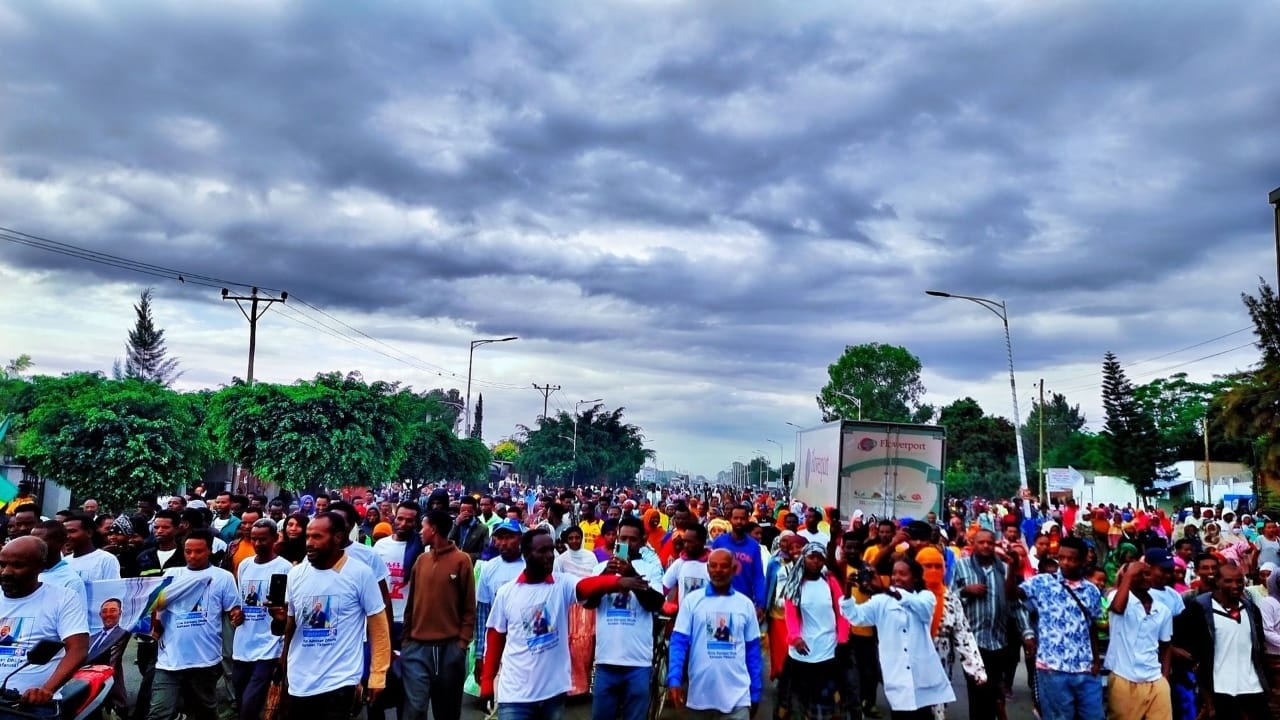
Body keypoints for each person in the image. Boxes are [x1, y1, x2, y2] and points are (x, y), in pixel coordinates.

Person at [479, 529, 648, 720]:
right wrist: (487, 684)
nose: (550, 555)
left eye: (551, 550)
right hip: (516, 696)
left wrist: (618, 582)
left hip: (554, 694)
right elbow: (495, 639)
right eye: (542, 551)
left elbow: (587, 586)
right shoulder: (507, 593)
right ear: (526, 554)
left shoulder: (562, 584)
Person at [270, 511, 391, 720]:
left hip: (340, 680)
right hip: (300, 681)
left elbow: (379, 627)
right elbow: (291, 627)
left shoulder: (360, 574)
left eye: (317, 537)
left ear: (338, 537)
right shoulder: (296, 574)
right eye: (308, 536)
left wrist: (377, 675)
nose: (309, 543)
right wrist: (280, 623)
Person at [839, 557, 954, 720]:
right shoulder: (881, 601)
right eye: (894, 574)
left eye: (903, 574)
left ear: (914, 577)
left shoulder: (925, 597)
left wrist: (886, 590)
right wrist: (848, 588)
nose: (897, 578)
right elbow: (855, 616)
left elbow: (920, 609)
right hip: (897, 675)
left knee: (923, 715)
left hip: (921, 674)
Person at [148, 529, 244, 720]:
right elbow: (155, 606)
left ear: (209, 550)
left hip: (205, 660)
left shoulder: (223, 577)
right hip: (169, 660)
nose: (192, 556)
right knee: (159, 713)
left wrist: (236, 615)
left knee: (203, 712)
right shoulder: (171, 575)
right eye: (188, 551)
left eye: (198, 551)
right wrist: (154, 626)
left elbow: (232, 609)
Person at [667, 548, 763, 720]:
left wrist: (755, 691)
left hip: (738, 698)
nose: (718, 570)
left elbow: (753, 651)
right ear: (708, 568)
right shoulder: (691, 601)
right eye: (713, 566)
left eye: (724, 566)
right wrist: (674, 678)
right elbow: (679, 643)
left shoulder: (745, 604)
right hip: (700, 697)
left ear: (734, 570)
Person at [1016, 536, 1104, 720]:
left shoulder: (1092, 591)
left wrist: (1096, 661)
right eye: (1061, 558)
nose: (1065, 563)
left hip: (1085, 669)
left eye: (1071, 559)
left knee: (1094, 716)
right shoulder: (1042, 583)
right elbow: (1013, 594)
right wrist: (1011, 568)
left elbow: (1092, 627)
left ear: (1082, 560)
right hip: (1052, 668)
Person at [0, 536, 90, 713]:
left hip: (29, 705)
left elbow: (78, 649)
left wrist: (46, 690)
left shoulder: (63, 598)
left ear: (41, 567)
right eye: (2, 564)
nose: (6, 572)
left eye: (17, 565)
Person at [401, 510, 475, 720]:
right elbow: (411, 603)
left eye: (423, 526)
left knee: (447, 711)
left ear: (433, 529)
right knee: (414, 709)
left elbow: (469, 605)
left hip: (450, 648)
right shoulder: (421, 561)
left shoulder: (462, 560)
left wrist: (462, 643)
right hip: (416, 647)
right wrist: (406, 640)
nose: (420, 531)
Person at [588, 516, 664, 720]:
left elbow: (655, 604)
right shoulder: (600, 569)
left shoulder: (651, 569)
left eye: (632, 539)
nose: (627, 544)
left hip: (638, 662)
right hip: (605, 661)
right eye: (623, 538)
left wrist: (632, 574)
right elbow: (589, 603)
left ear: (642, 541)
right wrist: (606, 577)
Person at [950, 529, 1030, 720]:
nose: (985, 546)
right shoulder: (961, 566)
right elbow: (950, 600)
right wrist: (966, 591)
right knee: (977, 693)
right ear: (973, 544)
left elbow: (1014, 603)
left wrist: (1027, 633)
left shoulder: (1003, 568)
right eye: (981, 542)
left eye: (989, 543)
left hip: (999, 641)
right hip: (972, 643)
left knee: (993, 692)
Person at [1188, 562, 1269, 719]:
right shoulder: (1200, 609)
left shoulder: (1251, 610)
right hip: (1220, 689)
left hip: (1252, 686)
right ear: (1217, 581)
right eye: (1228, 581)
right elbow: (1180, 642)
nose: (1236, 585)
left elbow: (1260, 646)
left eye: (1239, 581)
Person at [778, 543, 848, 720]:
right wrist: (795, 637)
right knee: (800, 698)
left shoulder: (830, 582)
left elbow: (842, 612)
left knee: (824, 698)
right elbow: (791, 614)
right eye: (811, 557)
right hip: (802, 651)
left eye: (820, 558)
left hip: (827, 650)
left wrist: (842, 640)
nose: (815, 562)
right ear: (804, 558)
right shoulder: (795, 584)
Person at [232, 518, 292, 720]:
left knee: (251, 702)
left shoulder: (285, 568)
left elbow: (288, 610)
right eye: (254, 539)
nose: (258, 544)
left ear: (275, 538)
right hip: (242, 643)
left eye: (263, 539)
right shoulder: (244, 565)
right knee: (240, 698)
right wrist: (236, 614)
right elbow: (240, 601)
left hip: (269, 645)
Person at [1103, 556, 1173, 720]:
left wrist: (1164, 678)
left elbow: (1166, 646)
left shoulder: (1162, 610)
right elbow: (1118, 609)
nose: (1144, 578)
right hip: (1123, 676)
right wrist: (1128, 575)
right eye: (1138, 575)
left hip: (1155, 678)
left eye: (1147, 574)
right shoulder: (1116, 597)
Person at [474, 519, 527, 683]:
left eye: (509, 537)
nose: (504, 543)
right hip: (498, 643)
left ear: (520, 538)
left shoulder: (530, 565)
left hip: (526, 645)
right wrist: (479, 653)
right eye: (500, 538)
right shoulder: (488, 568)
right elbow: (483, 614)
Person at [552, 527, 599, 697]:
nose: (574, 541)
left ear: (582, 538)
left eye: (577, 537)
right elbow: (557, 584)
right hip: (570, 607)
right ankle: (571, 686)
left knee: (587, 645)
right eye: (570, 538)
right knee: (571, 646)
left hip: (587, 606)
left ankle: (585, 685)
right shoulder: (561, 560)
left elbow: (594, 579)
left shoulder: (591, 557)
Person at [373, 501, 425, 643]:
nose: (403, 524)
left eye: (409, 521)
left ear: (416, 523)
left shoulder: (423, 550)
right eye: (400, 518)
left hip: (409, 620)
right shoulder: (380, 546)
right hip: (382, 616)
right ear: (394, 518)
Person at [711, 504, 767, 617]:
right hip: (719, 600)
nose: (739, 522)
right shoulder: (719, 542)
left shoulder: (754, 546)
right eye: (736, 518)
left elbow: (758, 576)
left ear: (747, 520)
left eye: (742, 519)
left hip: (744, 601)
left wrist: (761, 604)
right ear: (730, 519)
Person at [64, 512, 122, 584]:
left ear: (89, 533)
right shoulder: (64, 562)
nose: (66, 536)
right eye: (64, 533)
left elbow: (112, 591)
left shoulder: (106, 560)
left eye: (72, 531)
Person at [450, 496, 491, 564]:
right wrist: (456, 524)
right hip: (452, 562)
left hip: (470, 564)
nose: (465, 514)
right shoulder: (453, 524)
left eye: (469, 511)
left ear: (474, 512)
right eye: (462, 511)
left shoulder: (482, 529)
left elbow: (484, 552)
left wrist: (467, 556)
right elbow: (448, 541)